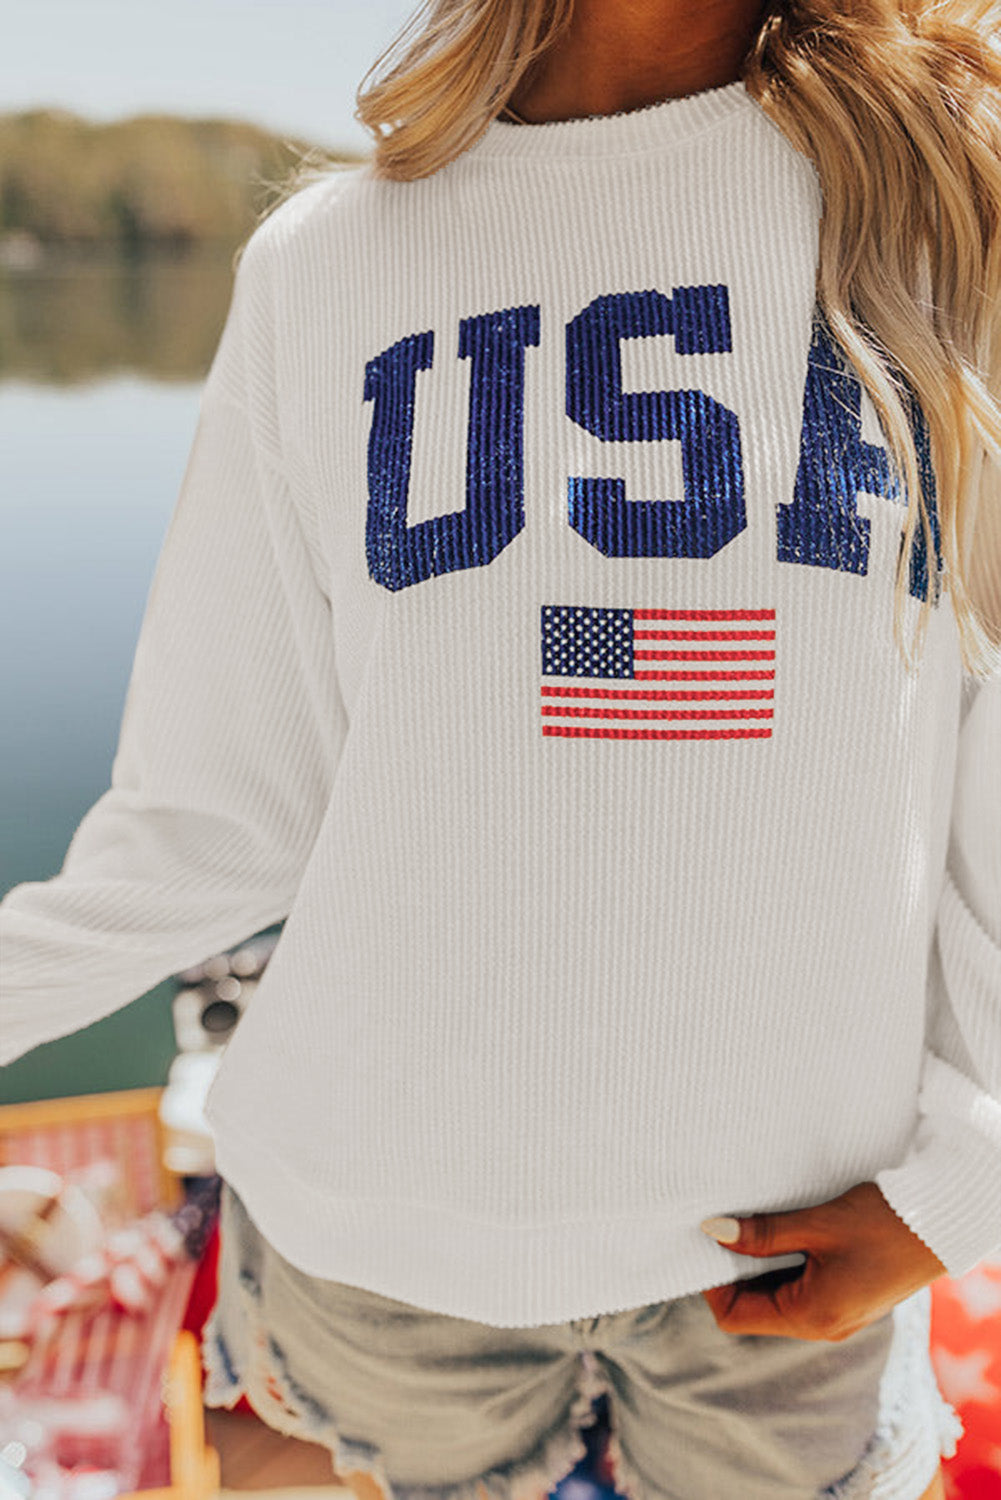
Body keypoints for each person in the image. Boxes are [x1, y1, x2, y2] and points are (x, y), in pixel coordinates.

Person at [2, 0, 1000, 1495]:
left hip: (805, 1226)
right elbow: (215, 820)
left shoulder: (949, 224)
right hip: (382, 1248)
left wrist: (968, 1178)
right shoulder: (324, 265)